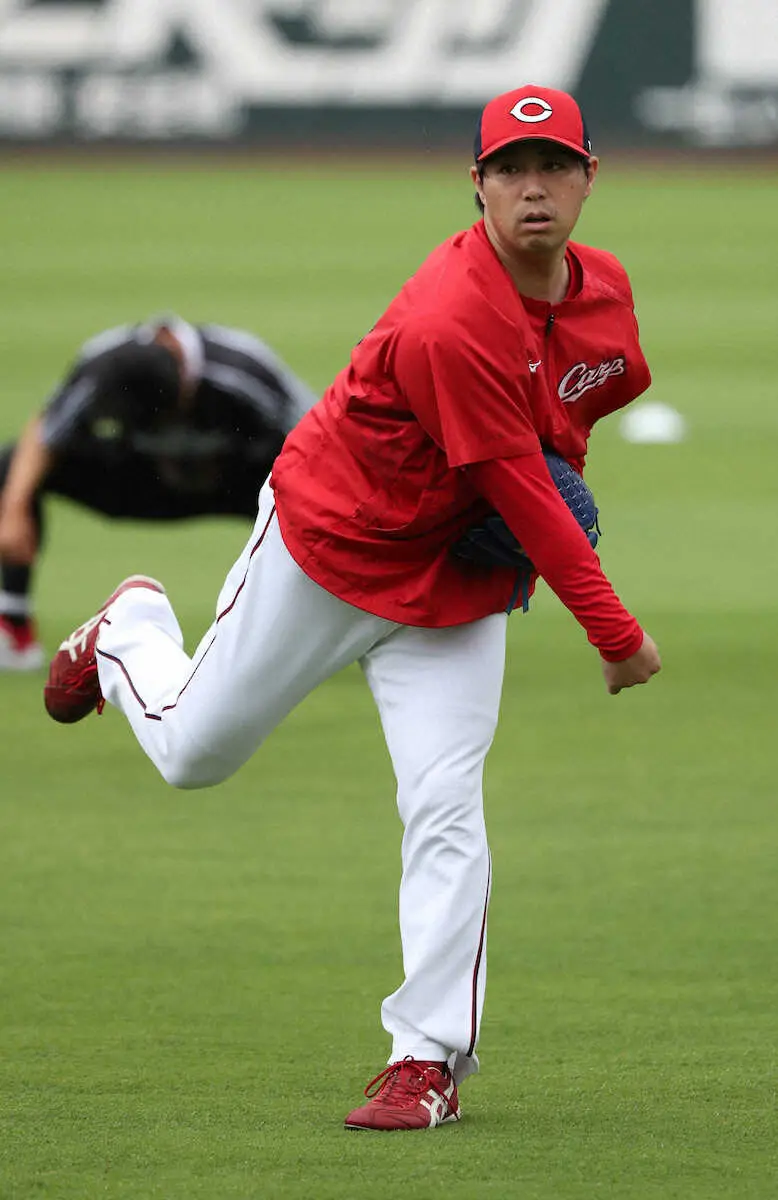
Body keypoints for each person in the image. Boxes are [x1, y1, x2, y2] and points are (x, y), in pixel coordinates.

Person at [43, 85, 661, 1131]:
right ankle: (132, 632)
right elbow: (520, 485)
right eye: (509, 169)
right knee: (196, 756)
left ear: (589, 177)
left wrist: (550, 493)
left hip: (452, 584)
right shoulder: (449, 316)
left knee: (445, 806)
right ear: (476, 188)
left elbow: (589, 402)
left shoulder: (604, 294)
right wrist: (617, 634)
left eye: (553, 165)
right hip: (330, 551)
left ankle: (425, 1062)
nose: (533, 188)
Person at [0, 315, 317, 669]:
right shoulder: (102, 367)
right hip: (138, 481)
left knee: (311, 486)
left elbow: (319, 440)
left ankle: (321, 622)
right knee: (12, 467)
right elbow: (46, 431)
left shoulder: (241, 371)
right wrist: (14, 511)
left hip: (233, 483)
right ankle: (13, 626)